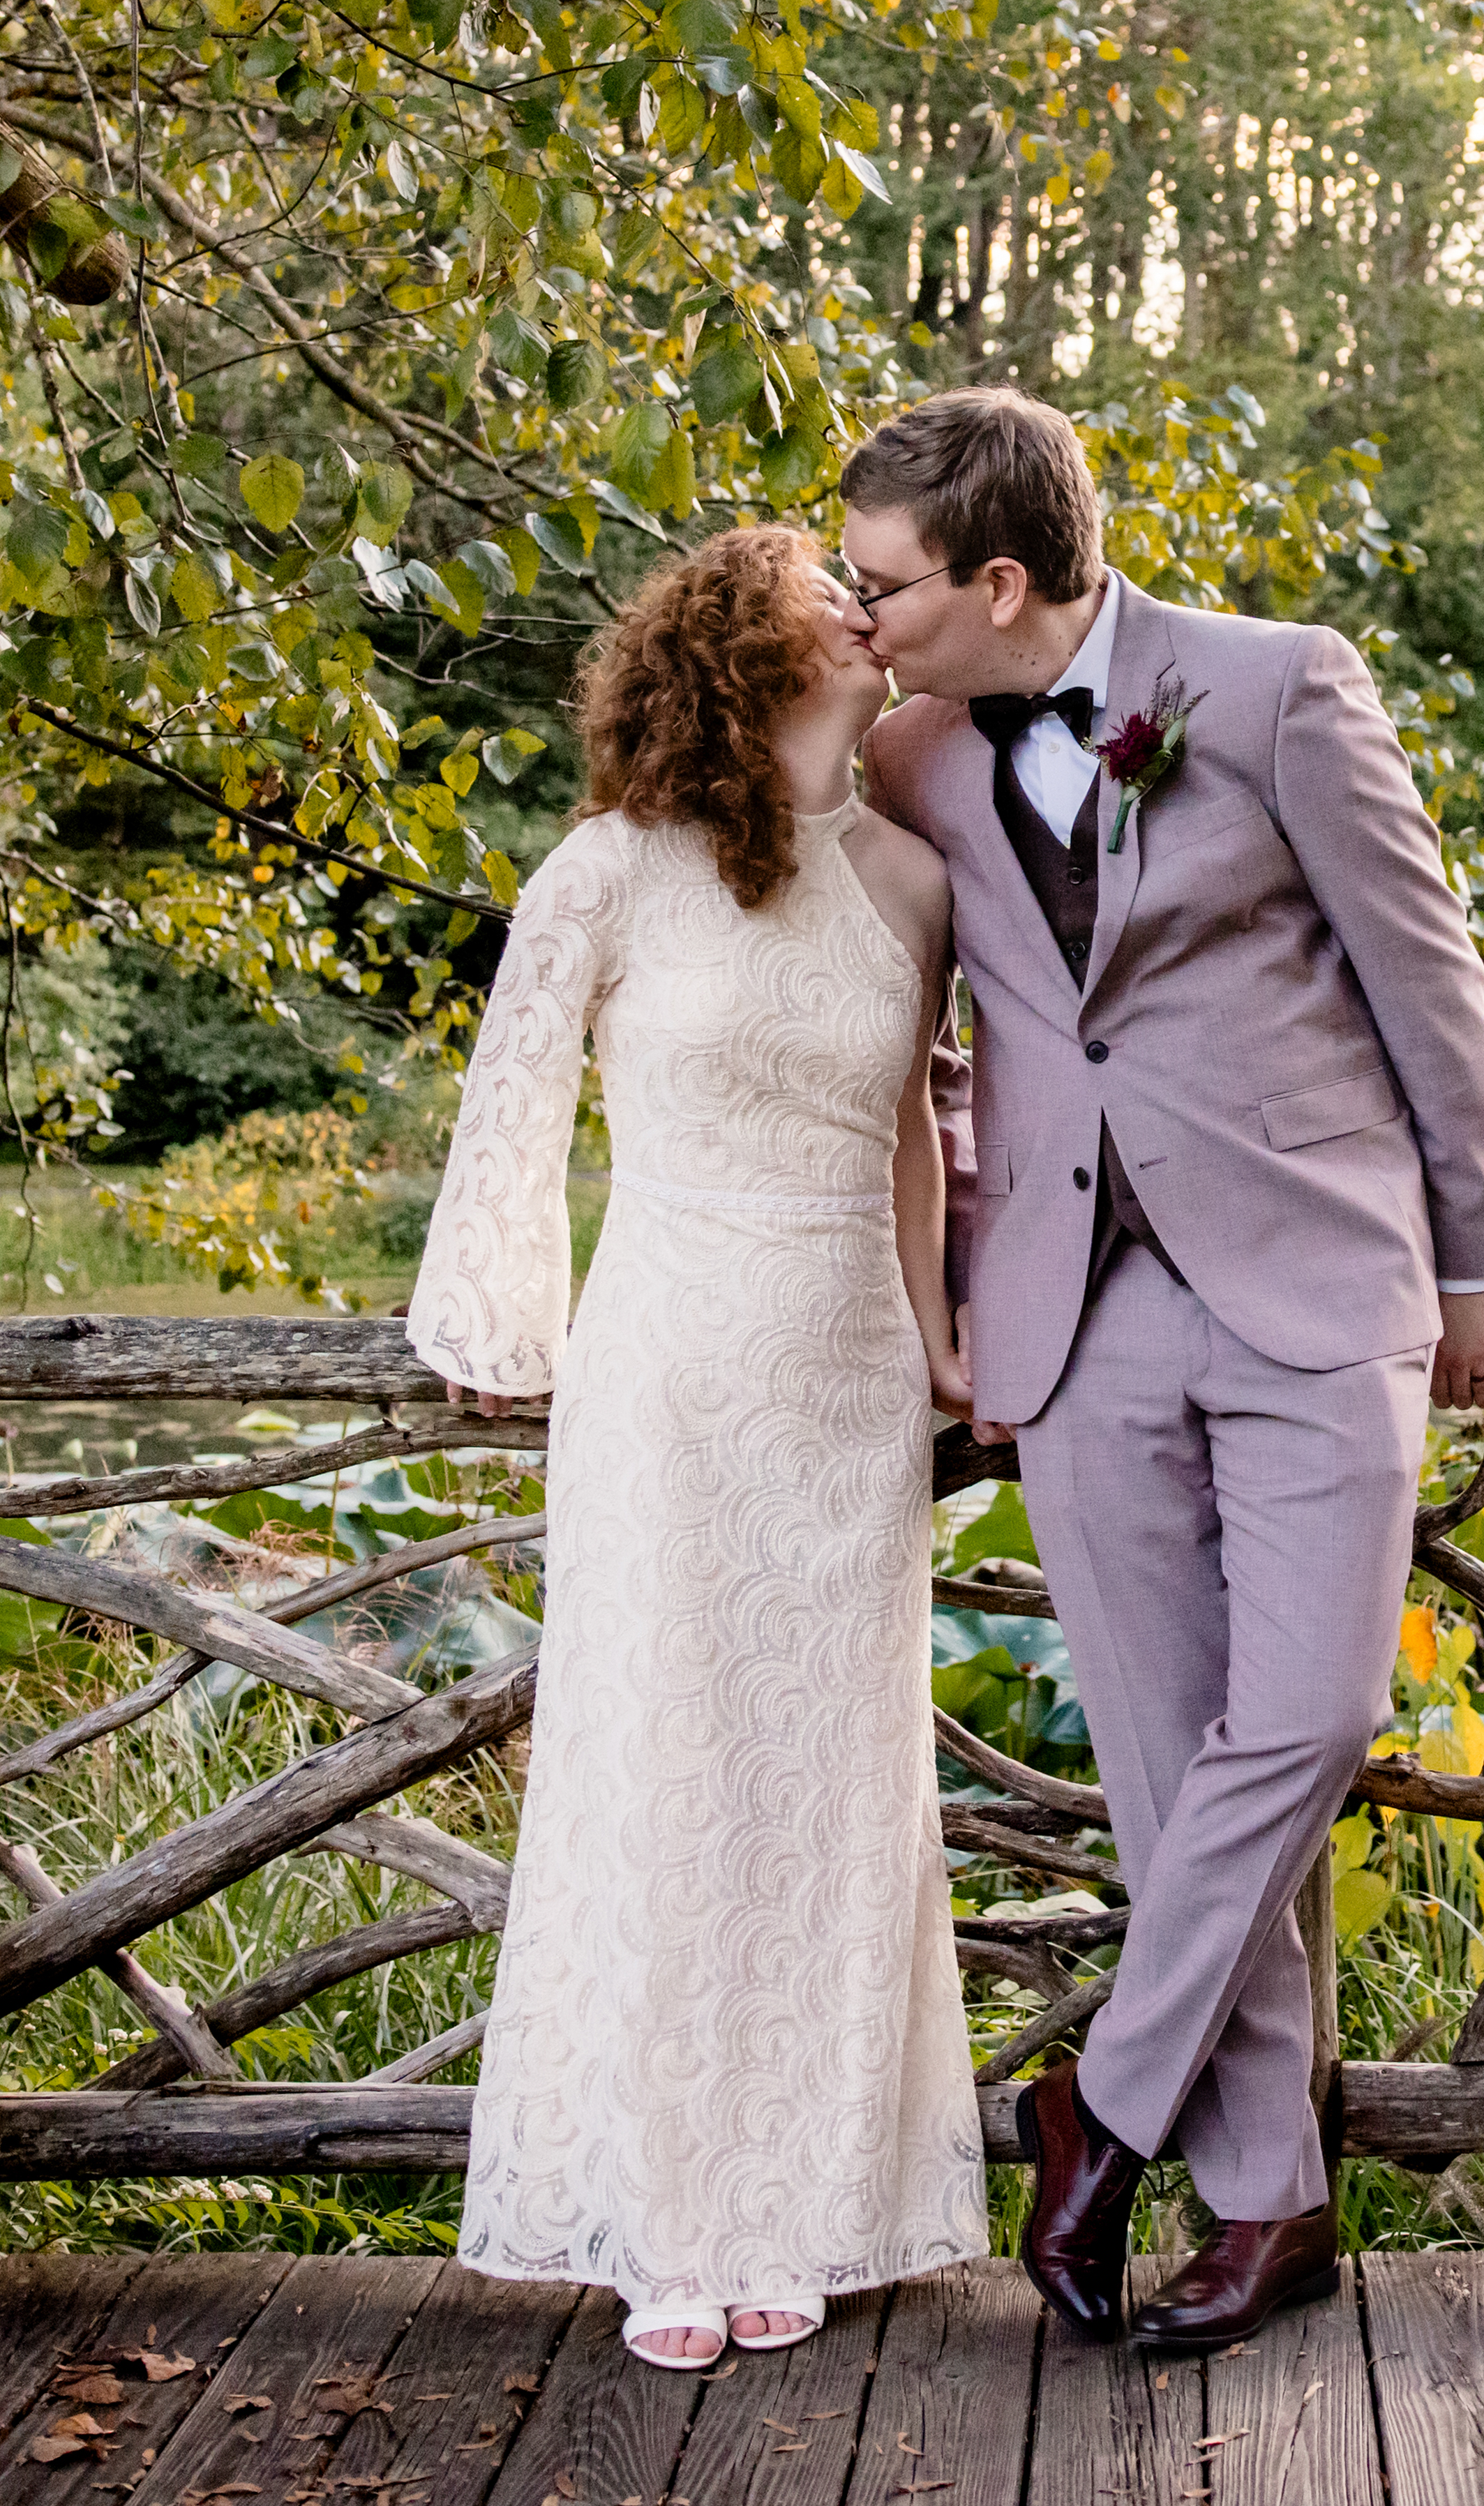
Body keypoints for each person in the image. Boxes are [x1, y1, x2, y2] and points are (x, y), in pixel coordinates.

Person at [839, 388, 1484, 2355]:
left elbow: (1426, 976)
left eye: (882, 582)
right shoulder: (909, 762)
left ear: (996, 578)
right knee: (1164, 1776)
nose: (858, 609)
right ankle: (1266, 2211)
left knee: (1300, 1727)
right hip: (1070, 1313)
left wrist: (1474, 1256)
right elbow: (915, 1027)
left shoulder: (1279, 689)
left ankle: (1095, 2102)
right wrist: (947, 1280)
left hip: (1320, 1279)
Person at [403, 523, 990, 2375]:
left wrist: (946, 1333)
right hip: (662, 1374)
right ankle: (668, 2214)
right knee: (663, 1776)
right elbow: (510, 1094)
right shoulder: (612, 868)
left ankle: (802, 2206)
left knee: (832, 1797)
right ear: (737, 645)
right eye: (826, 587)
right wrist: (502, 1321)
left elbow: (910, 1131)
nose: (861, 604)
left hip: (846, 1378)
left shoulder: (913, 877)